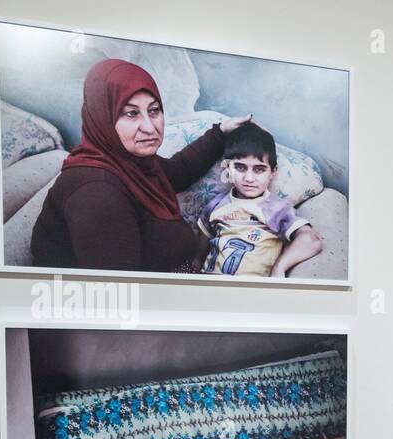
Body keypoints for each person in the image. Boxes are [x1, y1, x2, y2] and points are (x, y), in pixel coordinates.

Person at [31, 58, 255, 273]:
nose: (149, 127)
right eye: (132, 113)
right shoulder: (97, 194)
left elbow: (175, 172)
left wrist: (221, 133)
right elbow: (118, 297)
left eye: (154, 110)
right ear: (102, 117)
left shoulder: (126, 162)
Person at [197, 123, 323, 278]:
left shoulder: (278, 208)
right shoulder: (215, 205)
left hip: (252, 292)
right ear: (228, 167)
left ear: (273, 172)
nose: (249, 178)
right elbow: (198, 256)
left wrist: (279, 267)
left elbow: (312, 240)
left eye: (259, 169)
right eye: (240, 167)